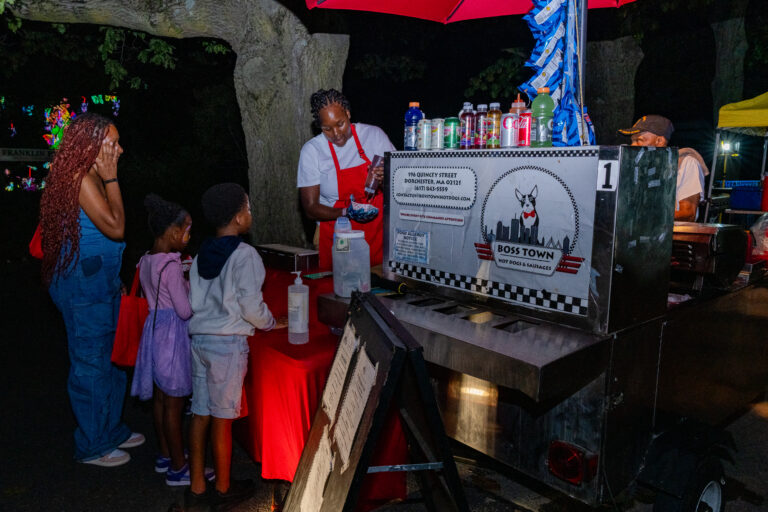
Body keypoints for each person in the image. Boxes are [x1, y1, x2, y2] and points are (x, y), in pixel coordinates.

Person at [40, 112, 144, 467]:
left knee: (111, 358)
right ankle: (92, 444)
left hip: (101, 282)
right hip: (82, 288)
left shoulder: (93, 174)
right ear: (89, 148)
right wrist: (112, 176)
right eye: (111, 144)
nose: (119, 149)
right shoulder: (82, 177)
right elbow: (116, 228)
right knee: (90, 364)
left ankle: (110, 429)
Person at [185, 183, 287, 508]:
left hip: (199, 340)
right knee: (222, 418)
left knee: (200, 413)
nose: (250, 214)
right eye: (248, 208)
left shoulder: (202, 253)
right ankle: (225, 488)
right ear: (239, 218)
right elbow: (251, 307)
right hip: (227, 345)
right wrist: (271, 323)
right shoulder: (245, 256)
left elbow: (194, 299)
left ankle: (198, 485)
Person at [130, 194, 214, 486]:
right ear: (173, 232)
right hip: (173, 338)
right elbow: (184, 309)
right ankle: (180, 467)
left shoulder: (146, 260)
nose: (189, 236)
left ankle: (166, 454)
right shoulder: (172, 265)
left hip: (153, 335)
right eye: (187, 230)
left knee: (162, 401)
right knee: (176, 406)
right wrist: (193, 288)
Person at [297, 88, 396, 269]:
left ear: (348, 114)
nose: (336, 134)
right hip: (339, 232)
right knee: (341, 285)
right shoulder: (312, 151)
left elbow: (402, 185)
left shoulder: (374, 136)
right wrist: (346, 212)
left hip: (377, 232)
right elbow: (310, 209)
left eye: (340, 124)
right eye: (327, 129)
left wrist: (386, 178)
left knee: (380, 287)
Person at [619, 115, 709, 222]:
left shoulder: (685, 163)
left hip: (674, 236)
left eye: (639, 140)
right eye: (632, 141)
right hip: (638, 235)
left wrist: (643, 218)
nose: (633, 146)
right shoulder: (636, 167)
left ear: (659, 141)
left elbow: (688, 213)